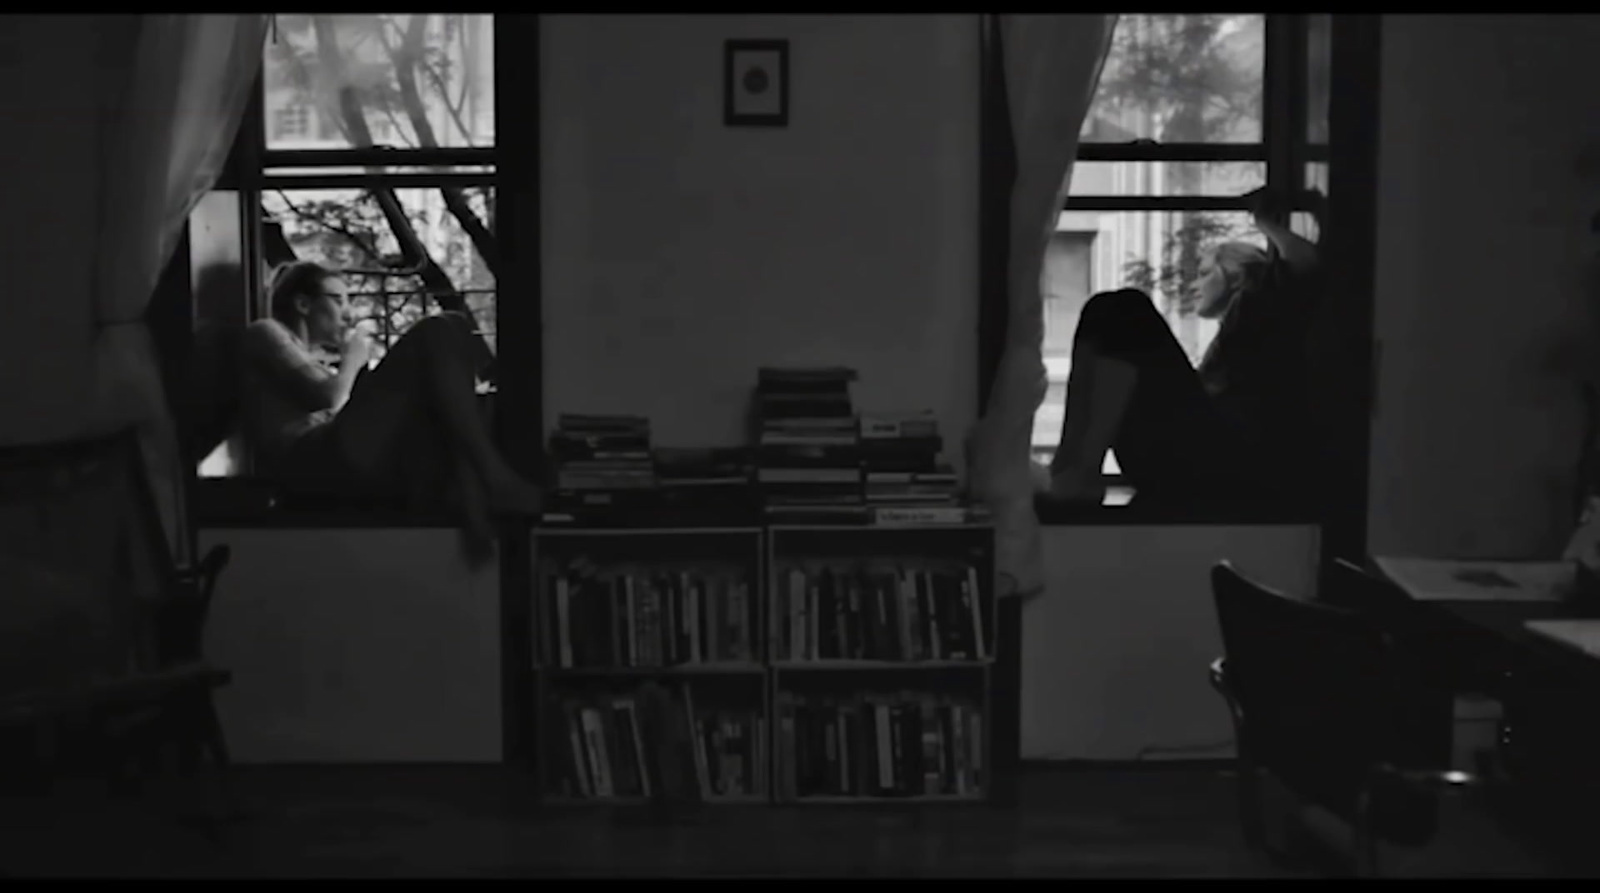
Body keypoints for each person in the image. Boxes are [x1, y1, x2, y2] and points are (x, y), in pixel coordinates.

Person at [239, 261, 543, 556]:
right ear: (303, 304)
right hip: (307, 463)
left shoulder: (317, 359)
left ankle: (470, 482)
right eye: (337, 300)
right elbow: (327, 398)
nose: (348, 314)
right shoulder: (264, 333)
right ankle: (489, 478)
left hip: (336, 456)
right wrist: (354, 357)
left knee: (454, 326)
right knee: (435, 329)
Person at [1047, 188, 1323, 509]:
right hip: (1197, 463)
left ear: (1236, 275)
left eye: (1204, 273)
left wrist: (1264, 222)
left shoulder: (1256, 304)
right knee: (1102, 310)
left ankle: (1080, 470)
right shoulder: (1234, 337)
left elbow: (1308, 264)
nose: (1194, 285)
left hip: (1222, 468)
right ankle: (1070, 466)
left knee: (1124, 309)